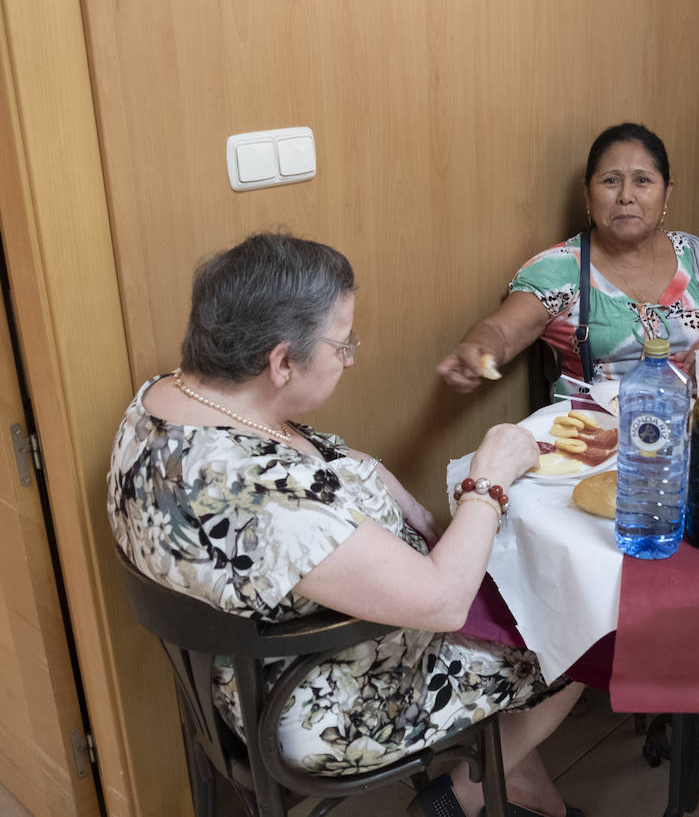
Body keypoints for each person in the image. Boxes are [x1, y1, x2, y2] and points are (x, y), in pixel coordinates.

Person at [107, 233, 584, 817]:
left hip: (238, 664)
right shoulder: (268, 497)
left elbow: (289, 460)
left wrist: (368, 471)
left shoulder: (162, 402)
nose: (350, 356)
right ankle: (463, 794)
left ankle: (519, 781)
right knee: (571, 623)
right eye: (342, 344)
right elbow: (443, 603)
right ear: (281, 361)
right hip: (313, 700)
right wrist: (489, 476)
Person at [438, 123, 699, 395]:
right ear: (588, 195)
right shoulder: (561, 268)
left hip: (696, 429)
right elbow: (500, 332)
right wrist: (476, 351)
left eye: (643, 181)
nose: (626, 196)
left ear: (666, 193)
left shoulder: (694, 255)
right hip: (594, 438)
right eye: (610, 181)